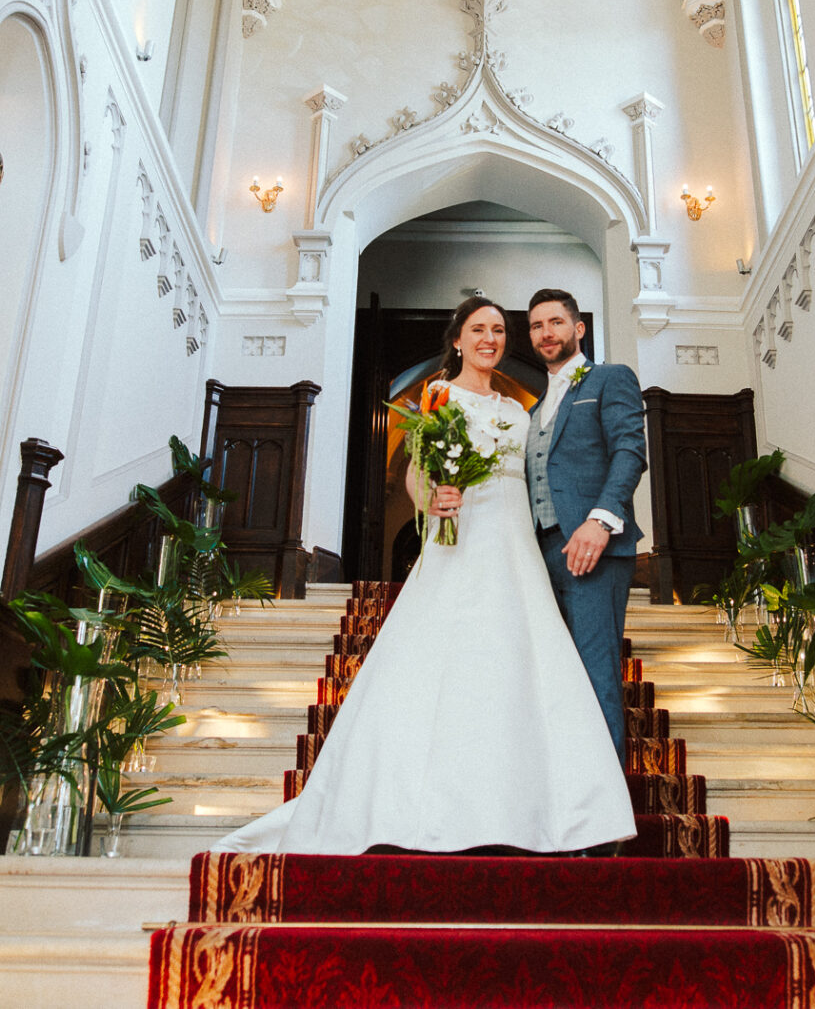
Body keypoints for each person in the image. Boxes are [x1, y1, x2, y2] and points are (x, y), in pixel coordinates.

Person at [210, 296, 635, 855]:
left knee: (526, 660)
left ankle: (562, 809)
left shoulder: (517, 410)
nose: (492, 338)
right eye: (479, 329)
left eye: (501, 330)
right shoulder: (436, 397)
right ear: (457, 339)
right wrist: (430, 497)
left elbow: (552, 469)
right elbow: (415, 467)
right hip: (460, 541)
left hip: (520, 545)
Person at [523, 288, 648, 758]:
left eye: (555, 322)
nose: (545, 333)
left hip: (594, 550)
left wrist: (600, 521)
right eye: (536, 326)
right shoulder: (534, 410)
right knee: (557, 679)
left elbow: (630, 452)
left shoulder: (609, 378)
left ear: (578, 328)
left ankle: (605, 817)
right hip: (540, 554)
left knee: (596, 674)